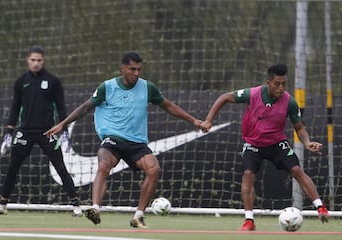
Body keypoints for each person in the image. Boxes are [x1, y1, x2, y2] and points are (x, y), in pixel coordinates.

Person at [44, 51, 202, 228]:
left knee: (154, 169)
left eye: (139, 69)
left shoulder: (148, 87)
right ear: (123, 68)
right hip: (113, 139)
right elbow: (85, 107)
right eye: (132, 69)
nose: (136, 73)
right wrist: (62, 124)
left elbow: (169, 106)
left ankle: (139, 216)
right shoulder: (107, 87)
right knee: (103, 165)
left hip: (137, 142)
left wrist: (194, 120)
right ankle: (95, 208)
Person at [200, 64, 329, 231]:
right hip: (253, 144)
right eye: (277, 84)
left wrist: (306, 142)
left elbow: (299, 127)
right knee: (248, 174)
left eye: (284, 84)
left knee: (297, 170)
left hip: (277, 144)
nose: (281, 88)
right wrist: (209, 120)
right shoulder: (252, 94)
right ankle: (249, 221)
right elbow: (224, 97)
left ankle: (320, 207)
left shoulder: (290, 102)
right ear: (269, 82)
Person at [0, 45, 82, 217]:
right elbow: (15, 109)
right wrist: (9, 134)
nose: (36, 63)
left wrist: (64, 131)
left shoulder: (53, 81)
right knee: (12, 168)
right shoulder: (20, 82)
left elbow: (61, 107)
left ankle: (76, 206)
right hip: (24, 132)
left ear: (43, 60)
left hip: (48, 132)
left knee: (61, 167)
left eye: (39, 60)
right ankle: (2, 205)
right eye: (33, 60)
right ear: (27, 60)